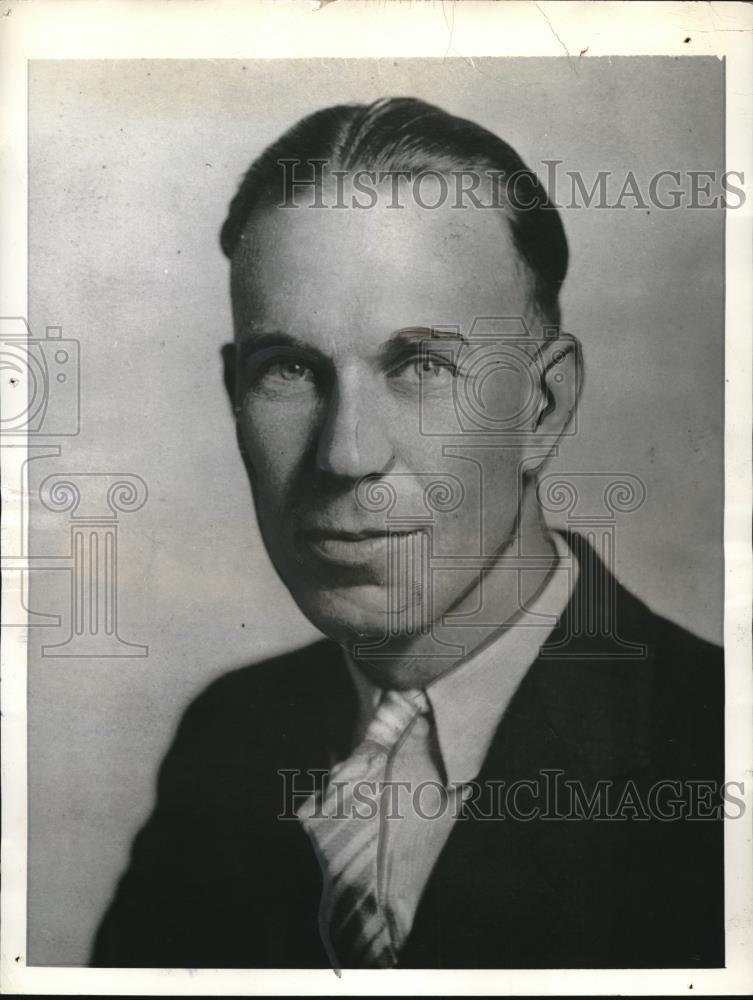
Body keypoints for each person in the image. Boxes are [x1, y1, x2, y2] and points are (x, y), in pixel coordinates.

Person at [91, 98, 724, 970]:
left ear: (542, 407)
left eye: (421, 366)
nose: (347, 454)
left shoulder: (715, 742)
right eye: (290, 370)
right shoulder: (230, 734)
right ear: (232, 394)